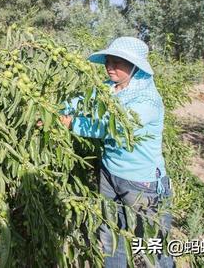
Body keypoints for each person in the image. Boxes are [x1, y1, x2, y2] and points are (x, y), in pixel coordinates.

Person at [59, 37, 173, 268]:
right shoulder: (109, 88)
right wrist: (57, 110)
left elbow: (113, 127)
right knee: (111, 232)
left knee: (153, 242)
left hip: (142, 183)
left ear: (134, 66)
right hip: (110, 173)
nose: (110, 67)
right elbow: (81, 100)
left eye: (117, 62)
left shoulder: (147, 100)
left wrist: (72, 123)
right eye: (108, 61)